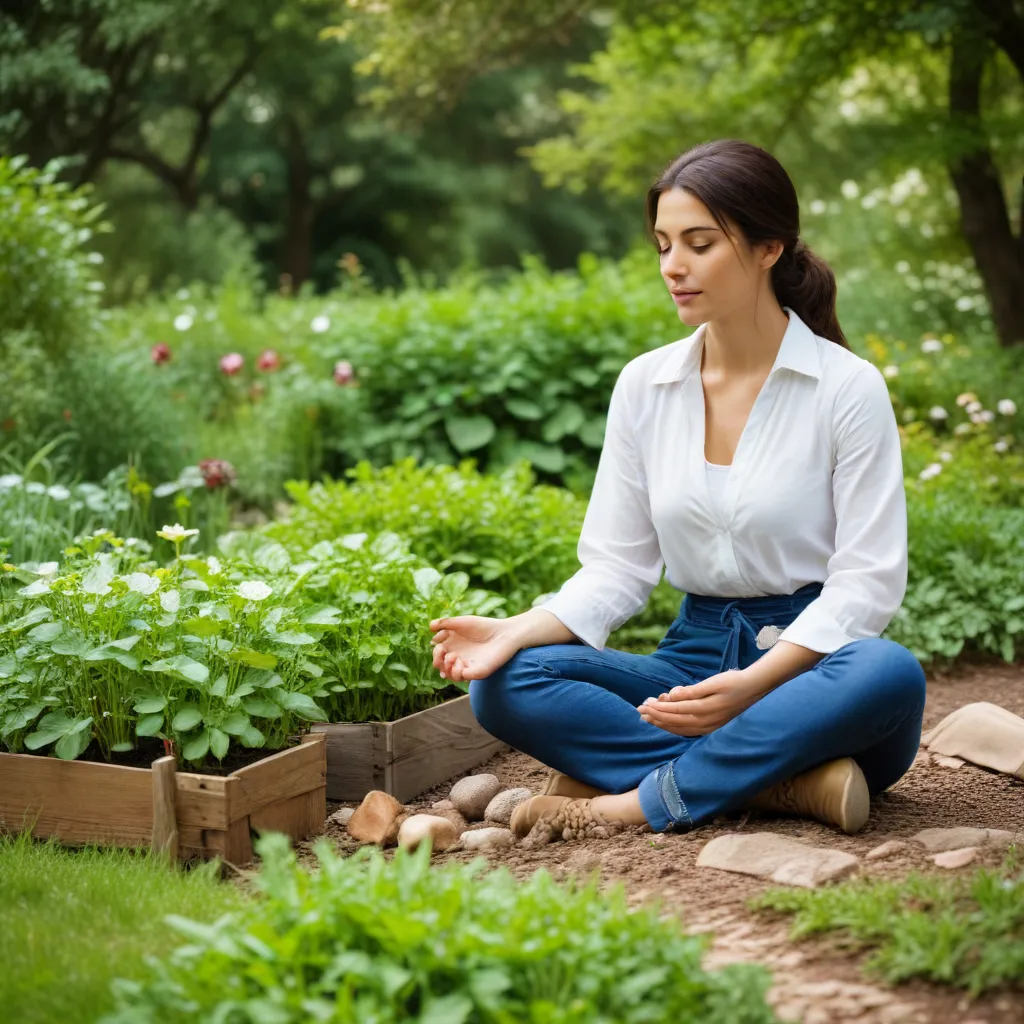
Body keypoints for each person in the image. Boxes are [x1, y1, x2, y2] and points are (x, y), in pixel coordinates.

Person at [428, 139, 927, 842]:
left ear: (768, 248)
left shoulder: (847, 388)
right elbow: (617, 566)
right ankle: (784, 785)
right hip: (690, 660)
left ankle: (633, 801)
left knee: (888, 670)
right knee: (508, 682)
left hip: (808, 670)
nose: (674, 266)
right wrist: (514, 631)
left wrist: (755, 686)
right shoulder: (645, 385)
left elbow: (867, 585)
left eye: (699, 243)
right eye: (663, 244)